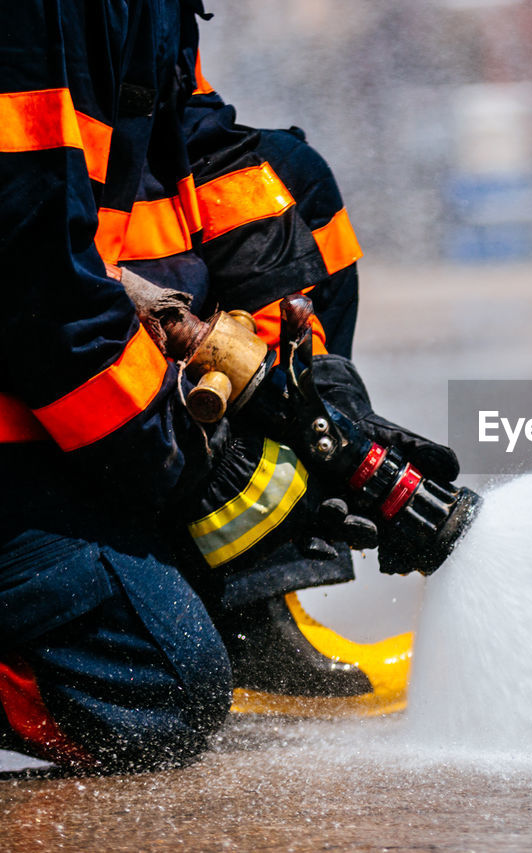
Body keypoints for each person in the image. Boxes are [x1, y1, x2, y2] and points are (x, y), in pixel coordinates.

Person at [0, 1, 460, 771]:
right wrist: (201, 468)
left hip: (46, 341)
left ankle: (246, 621)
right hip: (29, 349)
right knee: (157, 693)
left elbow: (196, 137)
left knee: (297, 188)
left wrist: (298, 375)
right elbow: (38, 287)